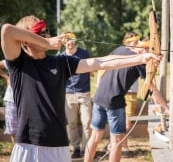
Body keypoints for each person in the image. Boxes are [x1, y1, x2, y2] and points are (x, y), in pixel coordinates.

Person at [1, 15, 161, 162]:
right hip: (29, 144)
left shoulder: (61, 62)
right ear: (25, 40)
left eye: (47, 31)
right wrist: (47, 43)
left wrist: (141, 57)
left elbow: (101, 62)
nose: (47, 35)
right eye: (40, 33)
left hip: (59, 145)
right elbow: (7, 30)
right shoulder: (19, 63)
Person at [84, 31, 169, 162]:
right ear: (143, 48)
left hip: (99, 97)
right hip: (114, 102)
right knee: (117, 141)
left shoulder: (120, 49)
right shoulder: (139, 63)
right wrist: (166, 108)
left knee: (95, 136)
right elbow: (151, 89)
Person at [60, 32, 92, 158]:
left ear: (75, 41)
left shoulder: (84, 54)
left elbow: (90, 70)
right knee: (72, 123)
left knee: (87, 122)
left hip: (84, 92)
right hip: (68, 94)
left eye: (72, 39)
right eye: (67, 40)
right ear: (64, 42)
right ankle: (76, 148)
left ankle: (86, 149)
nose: (70, 42)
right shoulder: (61, 56)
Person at [0, 59, 17, 144]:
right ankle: (17, 155)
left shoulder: (33, 59)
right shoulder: (11, 60)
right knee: (13, 131)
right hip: (11, 99)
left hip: (28, 100)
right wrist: (7, 77)